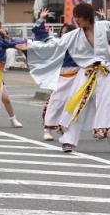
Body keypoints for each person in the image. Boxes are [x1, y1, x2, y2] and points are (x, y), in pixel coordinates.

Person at [21, 3, 110, 153]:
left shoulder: (105, 26)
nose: (76, 20)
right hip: (85, 73)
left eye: (79, 17)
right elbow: (54, 44)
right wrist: (31, 47)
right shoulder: (73, 35)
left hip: (104, 73)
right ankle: (68, 140)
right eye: (75, 17)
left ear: (87, 17)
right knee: (76, 104)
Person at [33, 13, 79, 142]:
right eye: (62, 32)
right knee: (55, 102)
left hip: (78, 78)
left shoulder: (80, 44)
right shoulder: (57, 43)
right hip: (62, 77)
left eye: (66, 32)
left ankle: (99, 128)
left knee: (76, 105)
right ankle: (47, 129)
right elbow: (41, 34)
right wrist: (42, 19)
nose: (63, 34)